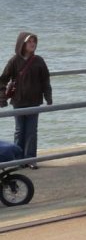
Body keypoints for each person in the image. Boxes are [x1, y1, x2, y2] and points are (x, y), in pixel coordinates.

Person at [0, 33, 52, 167]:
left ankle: (30, 159)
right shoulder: (14, 61)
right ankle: (18, 159)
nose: (33, 44)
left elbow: (45, 80)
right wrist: (2, 98)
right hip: (18, 101)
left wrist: (48, 98)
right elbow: (3, 79)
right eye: (30, 41)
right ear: (22, 43)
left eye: (34, 41)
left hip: (34, 101)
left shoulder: (39, 60)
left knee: (31, 131)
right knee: (19, 130)